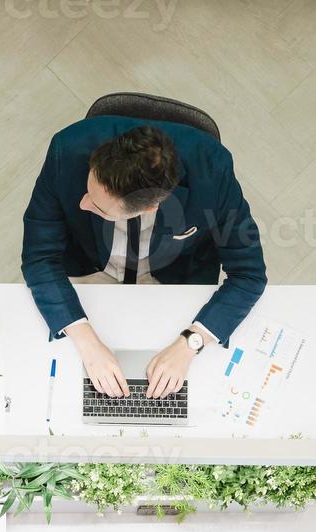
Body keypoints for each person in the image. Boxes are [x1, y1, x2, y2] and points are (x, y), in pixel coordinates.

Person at [21, 119, 267, 399]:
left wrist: (190, 344)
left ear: (151, 207)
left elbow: (249, 276)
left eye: (98, 207)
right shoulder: (65, 150)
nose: (83, 204)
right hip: (90, 268)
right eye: (89, 191)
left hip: (170, 280)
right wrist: (87, 343)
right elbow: (39, 257)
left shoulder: (214, 171)